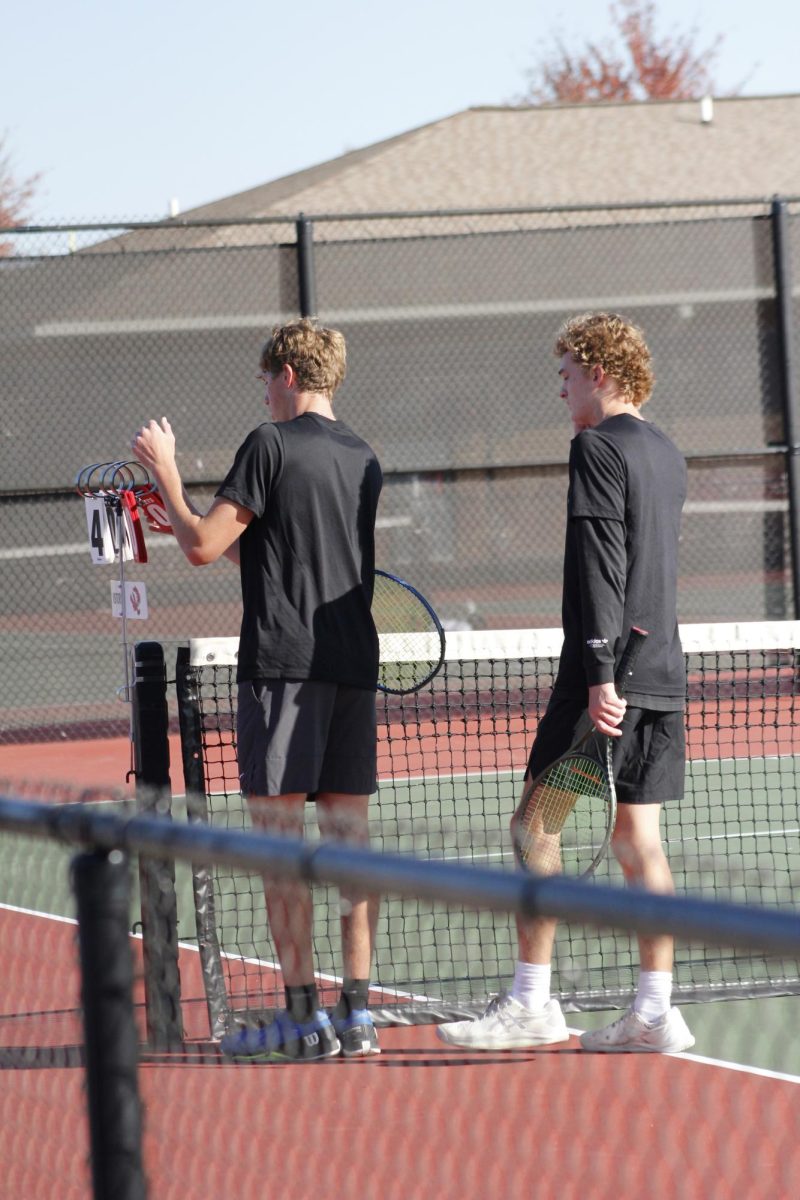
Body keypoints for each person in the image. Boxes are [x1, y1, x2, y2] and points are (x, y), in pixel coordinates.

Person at [437, 312, 695, 1054]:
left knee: (533, 828)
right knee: (639, 840)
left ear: (601, 374)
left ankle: (532, 1003)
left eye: (568, 374)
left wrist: (599, 672)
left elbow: (601, 564)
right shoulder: (668, 455)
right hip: (663, 676)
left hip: (604, 680)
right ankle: (654, 1011)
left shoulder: (595, 447)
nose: (562, 388)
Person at [132, 318, 383, 1062]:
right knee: (351, 851)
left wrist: (167, 477)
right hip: (351, 668)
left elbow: (204, 546)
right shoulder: (364, 456)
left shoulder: (267, 444)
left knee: (281, 850)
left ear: (289, 376)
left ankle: (304, 1019)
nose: (264, 392)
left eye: (267, 378)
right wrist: (185, 516)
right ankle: (357, 1017)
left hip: (283, 667)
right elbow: (278, 552)